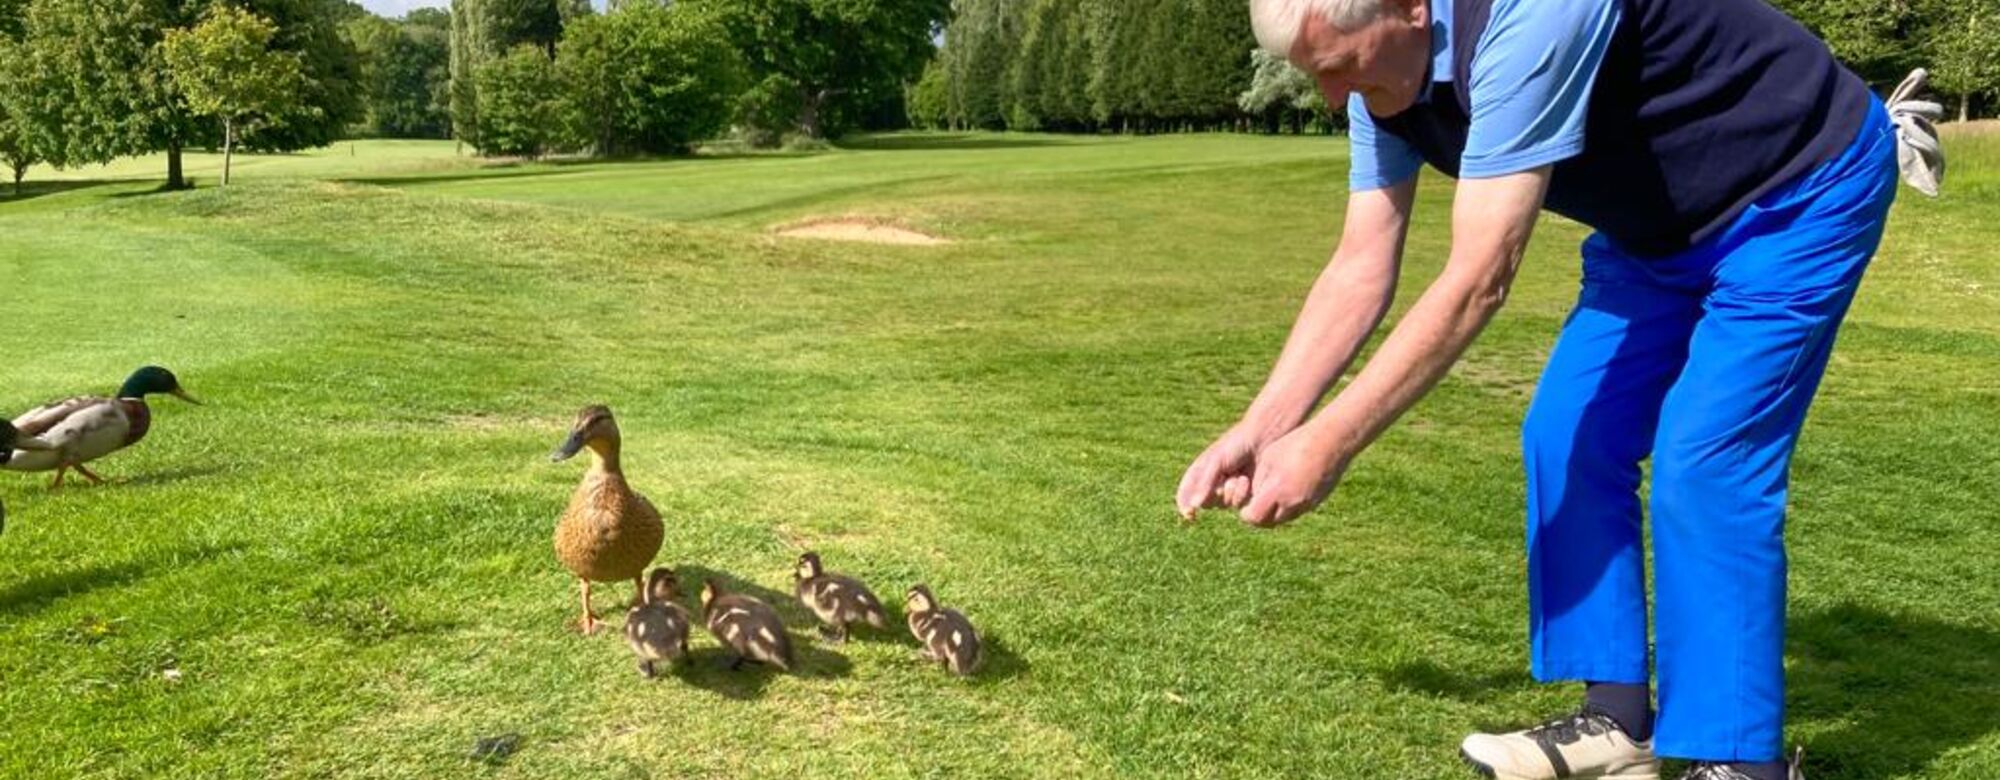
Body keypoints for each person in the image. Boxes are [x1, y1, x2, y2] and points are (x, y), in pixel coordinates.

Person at [1175, 0, 1933, 778]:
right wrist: (1262, 426)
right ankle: (1618, 725)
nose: (1331, 98)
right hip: (1657, 236)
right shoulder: (1383, 90)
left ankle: (1736, 761)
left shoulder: (1530, 18)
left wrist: (1330, 445)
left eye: (1337, 65)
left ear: (1408, 8)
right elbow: (1361, 266)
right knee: (1566, 434)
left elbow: (1479, 279)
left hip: (1799, 190)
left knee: (1704, 463)